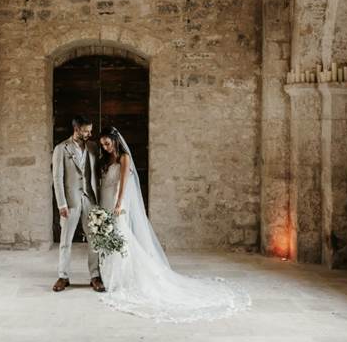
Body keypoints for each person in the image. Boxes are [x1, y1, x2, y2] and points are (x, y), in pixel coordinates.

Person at [96, 126, 251, 322]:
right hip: (106, 199)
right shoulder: (106, 159)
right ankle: (110, 274)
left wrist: (118, 204)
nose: (105, 147)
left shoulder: (124, 158)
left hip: (118, 203)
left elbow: (124, 184)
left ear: (115, 140)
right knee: (111, 237)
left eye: (107, 143)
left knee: (122, 237)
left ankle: (124, 278)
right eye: (102, 144)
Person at [51, 115, 105, 292]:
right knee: (66, 240)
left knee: (94, 239)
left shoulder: (93, 147)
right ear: (76, 130)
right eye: (86, 130)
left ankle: (95, 276)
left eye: (90, 130)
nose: (89, 133)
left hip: (90, 198)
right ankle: (63, 276)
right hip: (71, 200)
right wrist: (61, 204)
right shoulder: (61, 149)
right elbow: (57, 179)